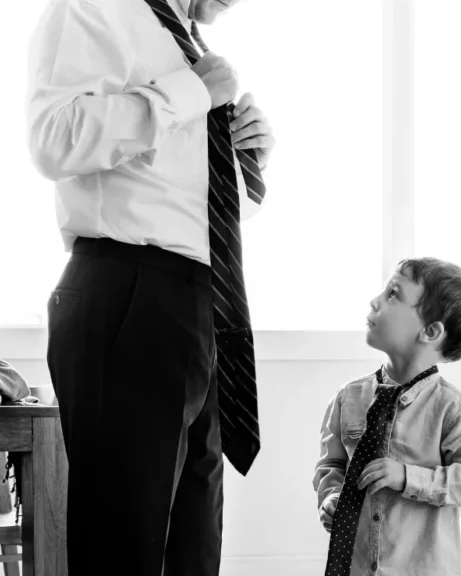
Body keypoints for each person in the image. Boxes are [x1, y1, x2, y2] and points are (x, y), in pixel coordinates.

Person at [26, 0, 275, 574]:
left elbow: (183, 204)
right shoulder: (93, 10)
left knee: (193, 549)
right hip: (128, 293)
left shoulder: (186, 42)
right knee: (123, 546)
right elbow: (53, 140)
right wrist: (186, 93)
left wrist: (249, 159)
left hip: (200, 305)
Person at [313, 257, 461, 576]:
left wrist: (408, 477)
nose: (375, 301)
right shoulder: (348, 398)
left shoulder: (454, 410)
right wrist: (330, 496)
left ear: (430, 331)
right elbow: (332, 465)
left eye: (393, 294)